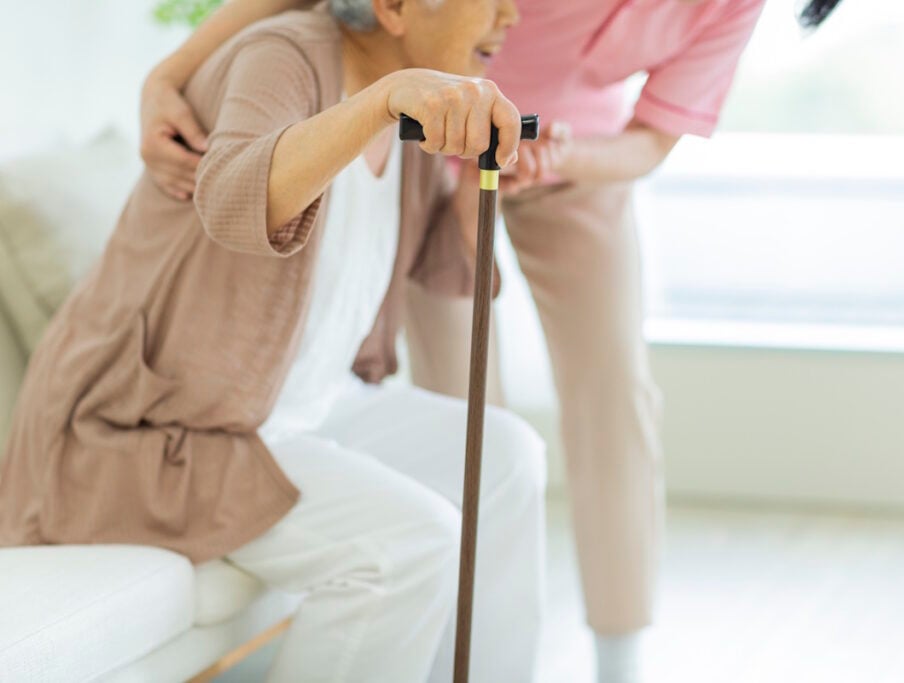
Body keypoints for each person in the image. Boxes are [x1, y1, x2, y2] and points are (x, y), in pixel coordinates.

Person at [138, 1, 847, 681]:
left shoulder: (731, 7)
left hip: (575, 154)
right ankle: (452, 648)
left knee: (615, 393)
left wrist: (561, 155)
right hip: (438, 140)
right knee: (468, 415)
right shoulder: (296, 59)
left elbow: (650, 140)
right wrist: (168, 75)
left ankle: (619, 659)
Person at [0, 1, 548, 681]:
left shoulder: (416, 88)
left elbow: (430, 256)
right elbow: (232, 194)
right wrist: (377, 104)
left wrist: (475, 194)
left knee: (509, 456)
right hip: (163, 429)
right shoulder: (284, 56)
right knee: (408, 545)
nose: (512, 16)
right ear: (395, 8)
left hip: (305, 400)